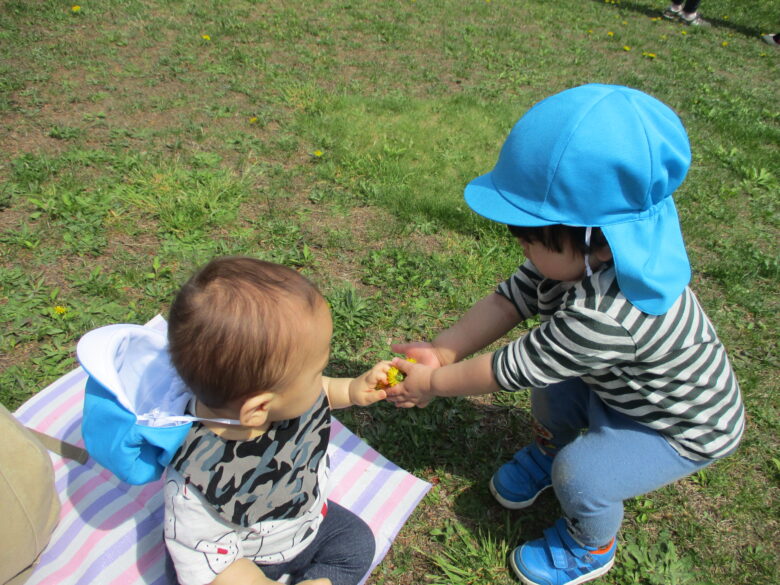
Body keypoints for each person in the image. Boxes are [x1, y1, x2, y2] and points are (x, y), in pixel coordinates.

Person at [385, 84, 745, 585]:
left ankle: (591, 545)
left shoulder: (611, 313)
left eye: (534, 239)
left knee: (583, 476)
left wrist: (430, 384)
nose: (525, 251)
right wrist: (441, 351)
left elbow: (507, 368)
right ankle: (549, 448)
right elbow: (508, 300)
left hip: (675, 427)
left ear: (595, 238)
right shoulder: (582, 259)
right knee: (553, 388)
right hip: (619, 387)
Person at [164, 256, 390, 585]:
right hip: (239, 560)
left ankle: (320, 579)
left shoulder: (274, 401)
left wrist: (352, 390)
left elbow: (321, 392)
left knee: (356, 543)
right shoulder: (199, 485)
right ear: (259, 409)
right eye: (315, 374)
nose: (320, 382)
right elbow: (212, 563)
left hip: (304, 524)